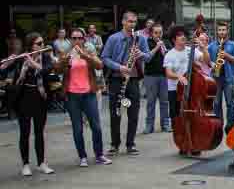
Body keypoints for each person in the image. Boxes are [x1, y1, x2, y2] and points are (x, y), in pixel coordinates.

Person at [55, 28, 111, 167]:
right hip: (72, 95)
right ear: (70, 40)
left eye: (80, 38)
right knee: (77, 128)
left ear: (84, 39)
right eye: (74, 38)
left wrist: (84, 55)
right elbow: (57, 69)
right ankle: (82, 156)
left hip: (88, 93)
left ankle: (99, 155)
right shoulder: (66, 52)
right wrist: (65, 61)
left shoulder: (89, 51)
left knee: (96, 126)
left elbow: (99, 65)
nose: (77, 41)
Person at [1, 33, 55, 176]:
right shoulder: (21, 57)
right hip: (23, 98)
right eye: (39, 43)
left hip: (40, 97)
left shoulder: (45, 57)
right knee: (24, 133)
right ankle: (25, 164)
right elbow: (4, 73)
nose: (42, 45)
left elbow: (46, 70)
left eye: (43, 42)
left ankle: (42, 163)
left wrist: (33, 63)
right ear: (31, 45)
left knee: (39, 132)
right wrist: (7, 64)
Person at [101, 11, 151, 156]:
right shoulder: (113, 38)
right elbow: (104, 58)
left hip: (133, 80)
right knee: (115, 112)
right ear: (123, 22)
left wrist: (141, 54)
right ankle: (115, 144)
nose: (132, 24)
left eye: (134, 22)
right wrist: (119, 67)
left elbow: (148, 57)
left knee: (133, 113)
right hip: (117, 79)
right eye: (129, 21)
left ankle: (131, 144)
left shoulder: (140, 39)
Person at [163, 25, 210, 155]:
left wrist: (203, 47)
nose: (183, 37)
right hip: (175, 91)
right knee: (177, 118)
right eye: (179, 35)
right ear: (174, 39)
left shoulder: (191, 50)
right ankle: (182, 142)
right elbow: (168, 73)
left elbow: (206, 61)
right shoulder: (170, 54)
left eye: (184, 34)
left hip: (192, 90)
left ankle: (194, 143)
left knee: (193, 116)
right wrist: (179, 77)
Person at [208, 22, 234, 128]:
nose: (222, 32)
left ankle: (230, 124)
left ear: (227, 31)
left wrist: (227, 56)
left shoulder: (233, 45)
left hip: (229, 77)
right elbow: (207, 60)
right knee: (216, 103)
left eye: (224, 30)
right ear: (217, 31)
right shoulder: (212, 46)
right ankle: (218, 124)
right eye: (220, 30)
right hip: (215, 78)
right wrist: (211, 64)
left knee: (230, 102)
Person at [143, 24, 170, 134]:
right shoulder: (146, 43)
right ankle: (149, 125)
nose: (159, 35)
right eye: (156, 33)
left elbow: (168, 59)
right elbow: (147, 59)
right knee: (151, 102)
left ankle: (165, 124)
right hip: (150, 76)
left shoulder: (166, 43)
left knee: (164, 102)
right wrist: (157, 47)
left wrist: (164, 51)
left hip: (164, 76)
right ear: (151, 33)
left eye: (160, 32)